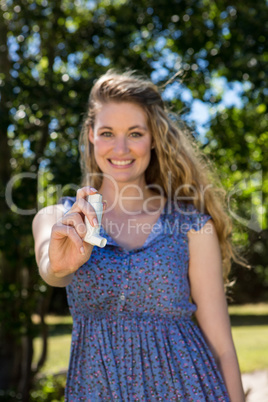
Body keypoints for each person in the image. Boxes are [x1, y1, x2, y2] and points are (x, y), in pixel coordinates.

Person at [32, 70, 245, 401]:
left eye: (134, 133)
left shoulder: (192, 226)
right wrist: (59, 264)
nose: (121, 148)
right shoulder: (59, 218)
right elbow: (51, 268)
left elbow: (222, 347)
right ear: (90, 135)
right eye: (107, 133)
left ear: (153, 138)